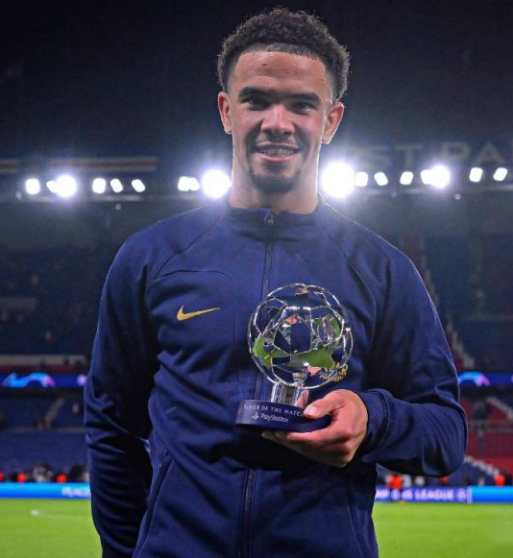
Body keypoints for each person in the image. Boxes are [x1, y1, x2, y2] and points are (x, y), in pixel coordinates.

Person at [85, 8, 466, 558]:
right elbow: (111, 425)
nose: (278, 122)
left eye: (302, 105)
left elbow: (446, 434)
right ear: (227, 111)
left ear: (331, 121)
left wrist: (372, 420)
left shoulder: (383, 271)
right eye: (257, 100)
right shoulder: (151, 259)